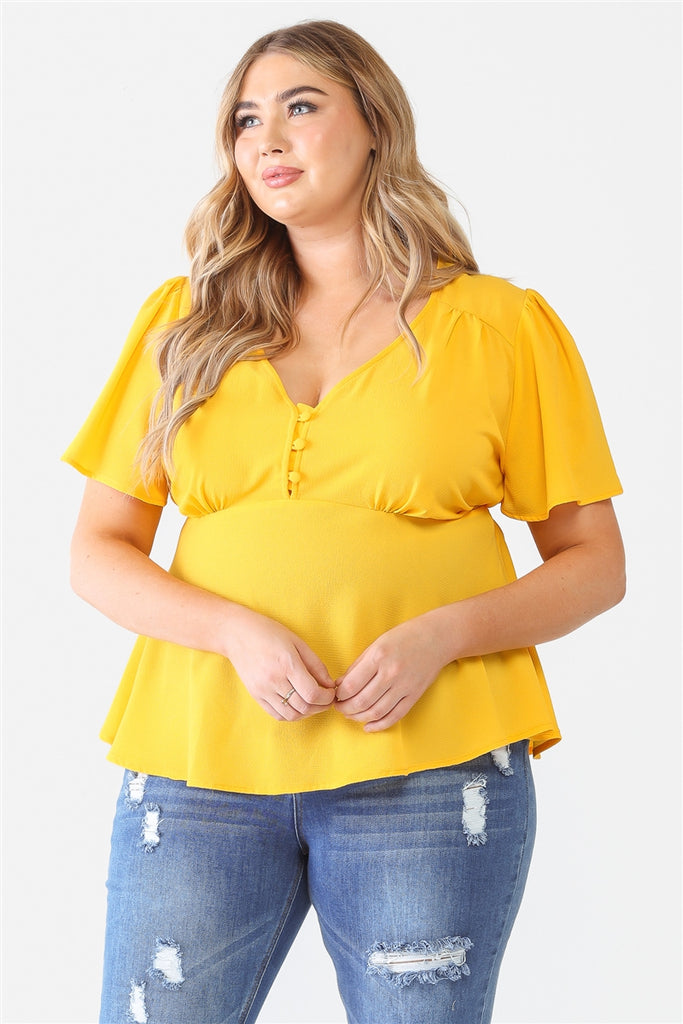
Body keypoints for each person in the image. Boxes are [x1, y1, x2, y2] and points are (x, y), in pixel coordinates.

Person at [63, 19, 625, 1024]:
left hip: (428, 764)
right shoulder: (182, 325)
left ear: (373, 123)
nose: (267, 139)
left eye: (300, 107)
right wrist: (230, 630)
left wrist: (440, 635)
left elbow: (592, 563)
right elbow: (97, 552)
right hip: (196, 761)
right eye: (245, 121)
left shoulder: (498, 326)